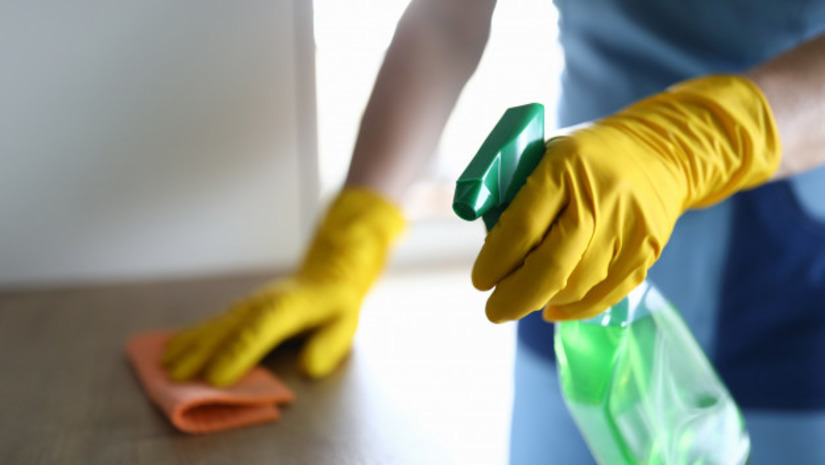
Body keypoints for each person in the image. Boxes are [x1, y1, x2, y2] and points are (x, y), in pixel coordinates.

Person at [162, 0, 825, 463]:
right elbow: (447, 18)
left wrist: (701, 138)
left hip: (791, 283)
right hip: (568, 261)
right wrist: (353, 233)